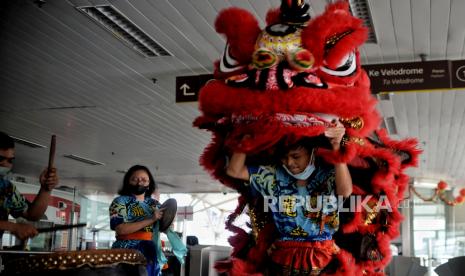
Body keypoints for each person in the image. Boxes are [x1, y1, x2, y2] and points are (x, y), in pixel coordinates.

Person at [225, 122, 352, 275]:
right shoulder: (272, 176)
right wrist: (246, 139)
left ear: (312, 152)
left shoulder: (328, 174)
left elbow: (345, 191)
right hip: (283, 256)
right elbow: (234, 170)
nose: (290, 163)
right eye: (284, 157)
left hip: (322, 256)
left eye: (296, 156)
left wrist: (336, 146)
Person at [0, 131, 59, 241]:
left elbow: (32, 215)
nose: (5, 164)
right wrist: (12, 226)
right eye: (0, 159)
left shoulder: (6, 188)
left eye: (10, 160)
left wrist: (46, 188)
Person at [109, 164, 164, 276]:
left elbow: (163, 226)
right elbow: (120, 229)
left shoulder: (154, 204)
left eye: (144, 180)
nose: (139, 183)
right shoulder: (120, 202)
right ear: (128, 182)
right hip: (127, 251)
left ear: (149, 184)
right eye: (135, 179)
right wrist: (151, 219)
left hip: (151, 251)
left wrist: (169, 223)